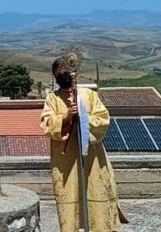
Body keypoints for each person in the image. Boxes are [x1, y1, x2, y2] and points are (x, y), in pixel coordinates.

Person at [40, 50, 121, 232]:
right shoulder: (52, 99)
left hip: (92, 159)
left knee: (96, 205)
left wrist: (84, 117)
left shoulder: (89, 95)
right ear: (55, 76)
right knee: (70, 205)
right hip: (66, 163)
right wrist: (67, 117)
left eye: (66, 74)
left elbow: (103, 119)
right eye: (59, 75)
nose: (63, 77)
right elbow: (47, 124)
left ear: (74, 74)